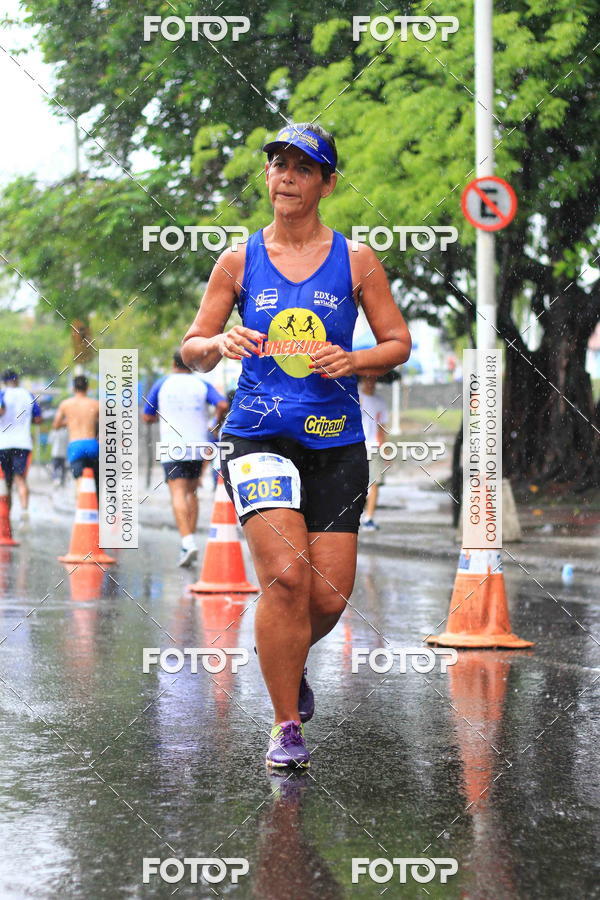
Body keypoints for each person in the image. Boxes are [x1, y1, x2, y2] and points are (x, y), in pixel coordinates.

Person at [181, 122, 411, 768]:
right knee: (285, 578)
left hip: (336, 442)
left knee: (329, 595)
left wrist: (356, 358)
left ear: (327, 183)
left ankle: (287, 660)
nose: (285, 175)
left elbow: (398, 342)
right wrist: (216, 345)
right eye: (278, 164)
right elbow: (191, 348)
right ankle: (286, 724)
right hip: (257, 435)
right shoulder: (238, 260)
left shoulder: (357, 260)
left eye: (302, 167)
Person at [143, 351, 227, 568]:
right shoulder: (201, 384)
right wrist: (215, 426)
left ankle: (187, 542)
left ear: (173, 363)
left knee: (178, 493)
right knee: (192, 492)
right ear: (191, 363)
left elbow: (147, 416)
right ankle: (190, 541)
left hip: (173, 446)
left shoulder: (162, 383)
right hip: (199, 445)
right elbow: (223, 405)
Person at [0, 369, 43, 524]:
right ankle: (25, 512)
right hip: (23, 443)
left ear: (5, 381)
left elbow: (1, 411)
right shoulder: (28, 395)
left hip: (3, 443)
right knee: (21, 479)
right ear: (17, 380)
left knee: (7, 482)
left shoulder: (2, 394)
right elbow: (38, 419)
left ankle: (7, 515)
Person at [52, 375, 100, 489]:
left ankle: (81, 502)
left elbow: (56, 425)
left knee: (79, 481)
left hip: (75, 445)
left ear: (73, 388)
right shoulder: (95, 404)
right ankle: (97, 503)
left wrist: (69, 421)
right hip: (92, 444)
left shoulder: (66, 404)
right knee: (96, 480)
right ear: (87, 388)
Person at [358, 375, 389, 531]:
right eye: (367, 379)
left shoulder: (380, 402)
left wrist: (386, 450)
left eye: (373, 379)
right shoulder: (356, 397)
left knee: (375, 483)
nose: (370, 382)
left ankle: (369, 518)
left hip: (375, 447)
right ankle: (355, 515)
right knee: (356, 483)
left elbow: (382, 428)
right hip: (357, 445)